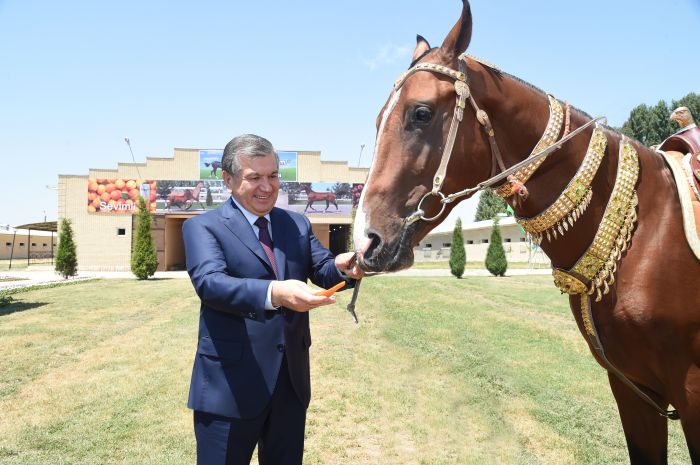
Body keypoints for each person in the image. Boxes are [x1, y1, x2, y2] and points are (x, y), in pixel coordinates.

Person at [182, 134, 363, 465]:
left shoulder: (295, 223)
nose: (267, 186)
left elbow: (322, 268)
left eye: (273, 176)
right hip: (229, 387)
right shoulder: (202, 227)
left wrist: (347, 266)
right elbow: (210, 283)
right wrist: (275, 293)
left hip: (289, 384)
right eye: (255, 177)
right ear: (228, 179)